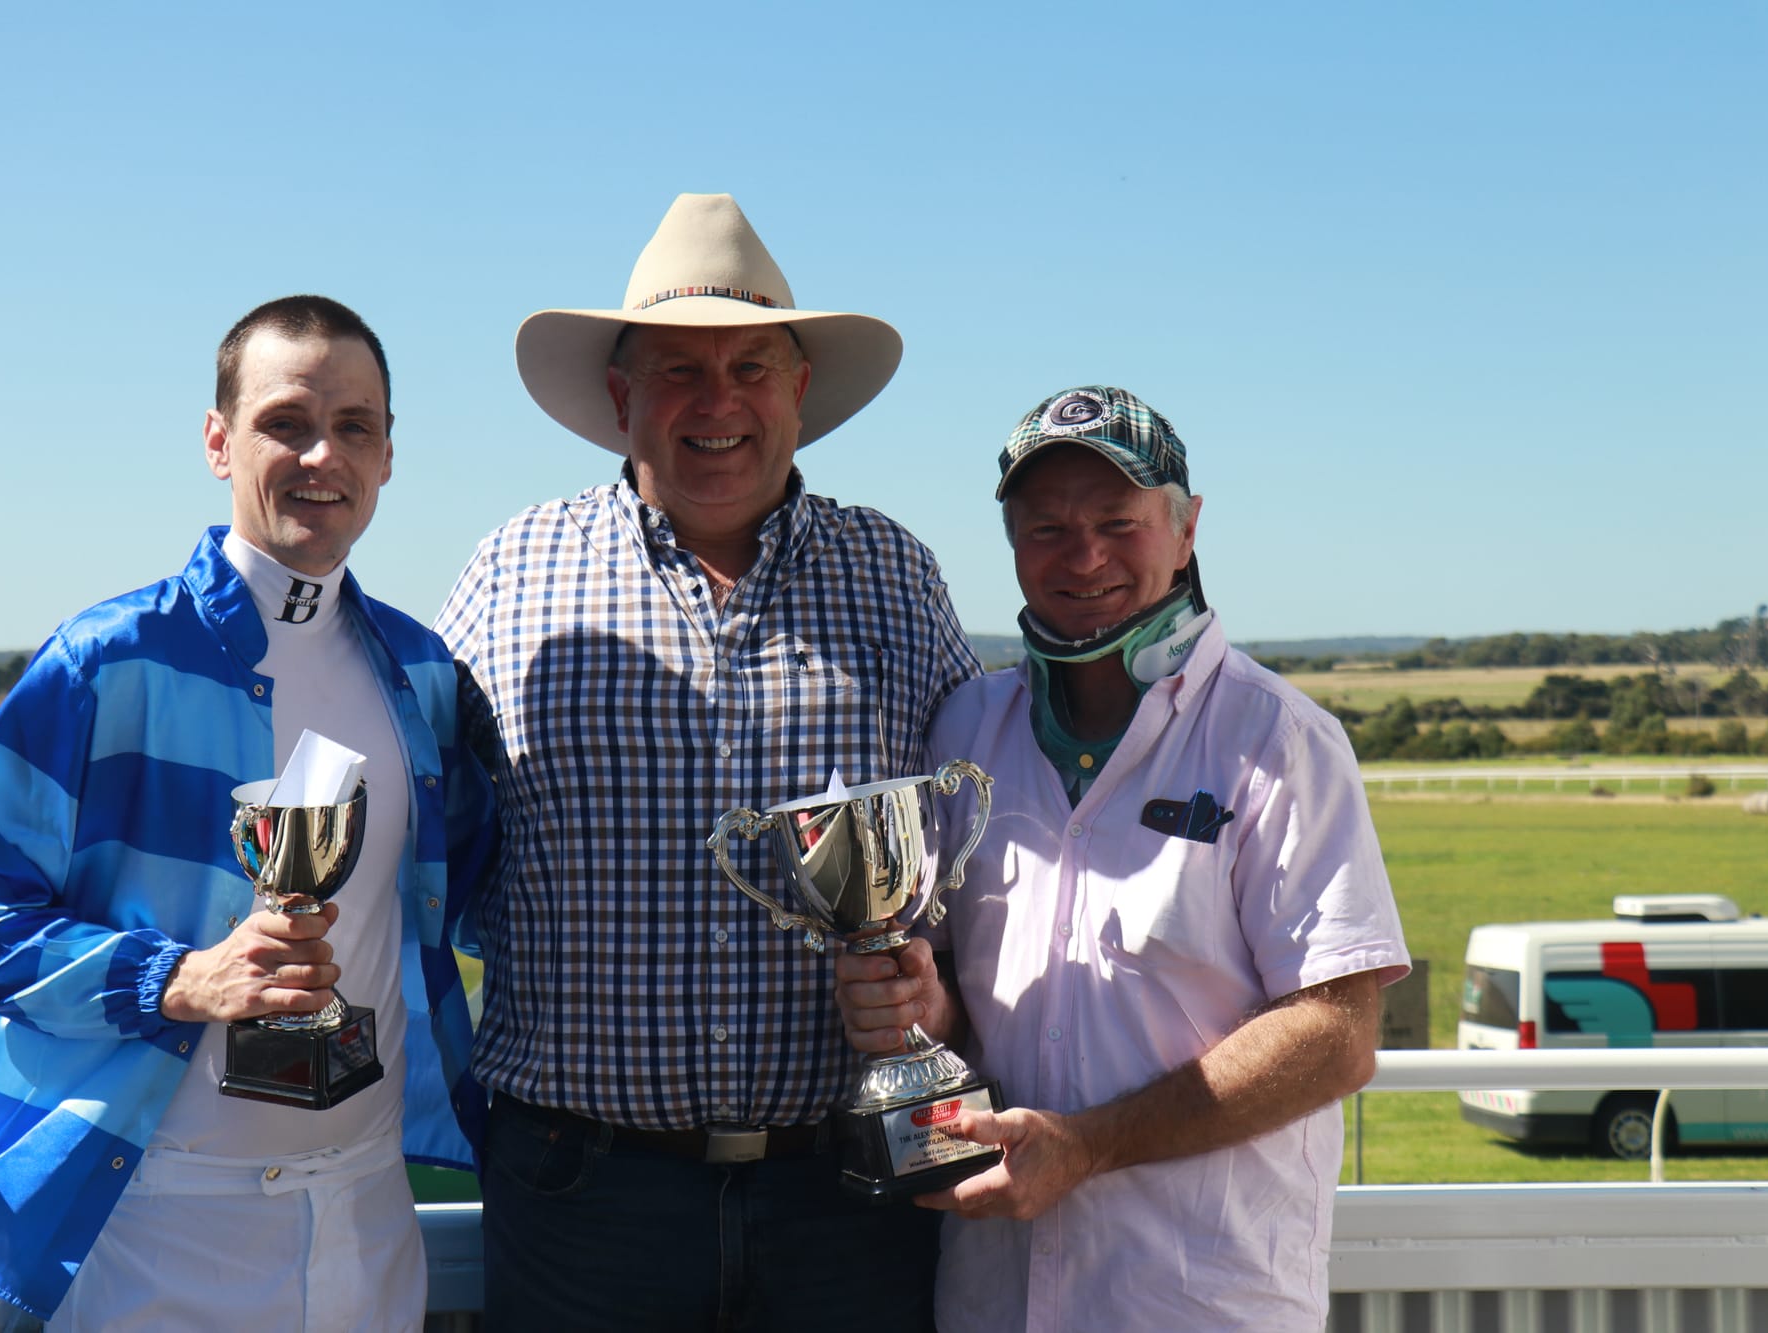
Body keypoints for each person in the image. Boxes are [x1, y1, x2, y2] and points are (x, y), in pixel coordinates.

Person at [435, 193, 981, 1331]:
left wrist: (929, 977)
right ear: (621, 396)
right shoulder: (512, 571)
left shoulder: (892, 573)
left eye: (748, 366)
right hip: (583, 1192)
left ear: (799, 391)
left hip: (847, 1190)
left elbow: (965, 841)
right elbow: (432, 827)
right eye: (678, 372)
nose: (716, 402)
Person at [0, 295, 496, 1330]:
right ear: (218, 440)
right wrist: (180, 978)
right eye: (287, 422)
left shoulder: (421, 671)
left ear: (388, 456)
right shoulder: (103, 662)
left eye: (354, 427)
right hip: (155, 1228)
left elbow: (480, 903)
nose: (323, 454)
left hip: (370, 1213)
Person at [834, 385, 1411, 1332]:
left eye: (1118, 520)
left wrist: (1088, 1146)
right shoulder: (967, 727)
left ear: (1186, 530)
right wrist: (914, 1000)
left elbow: (1336, 1036)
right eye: (1047, 527)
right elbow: (971, 1012)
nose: (1085, 554)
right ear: (1013, 546)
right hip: (994, 1297)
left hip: (1198, 1300)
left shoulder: (1280, 739)